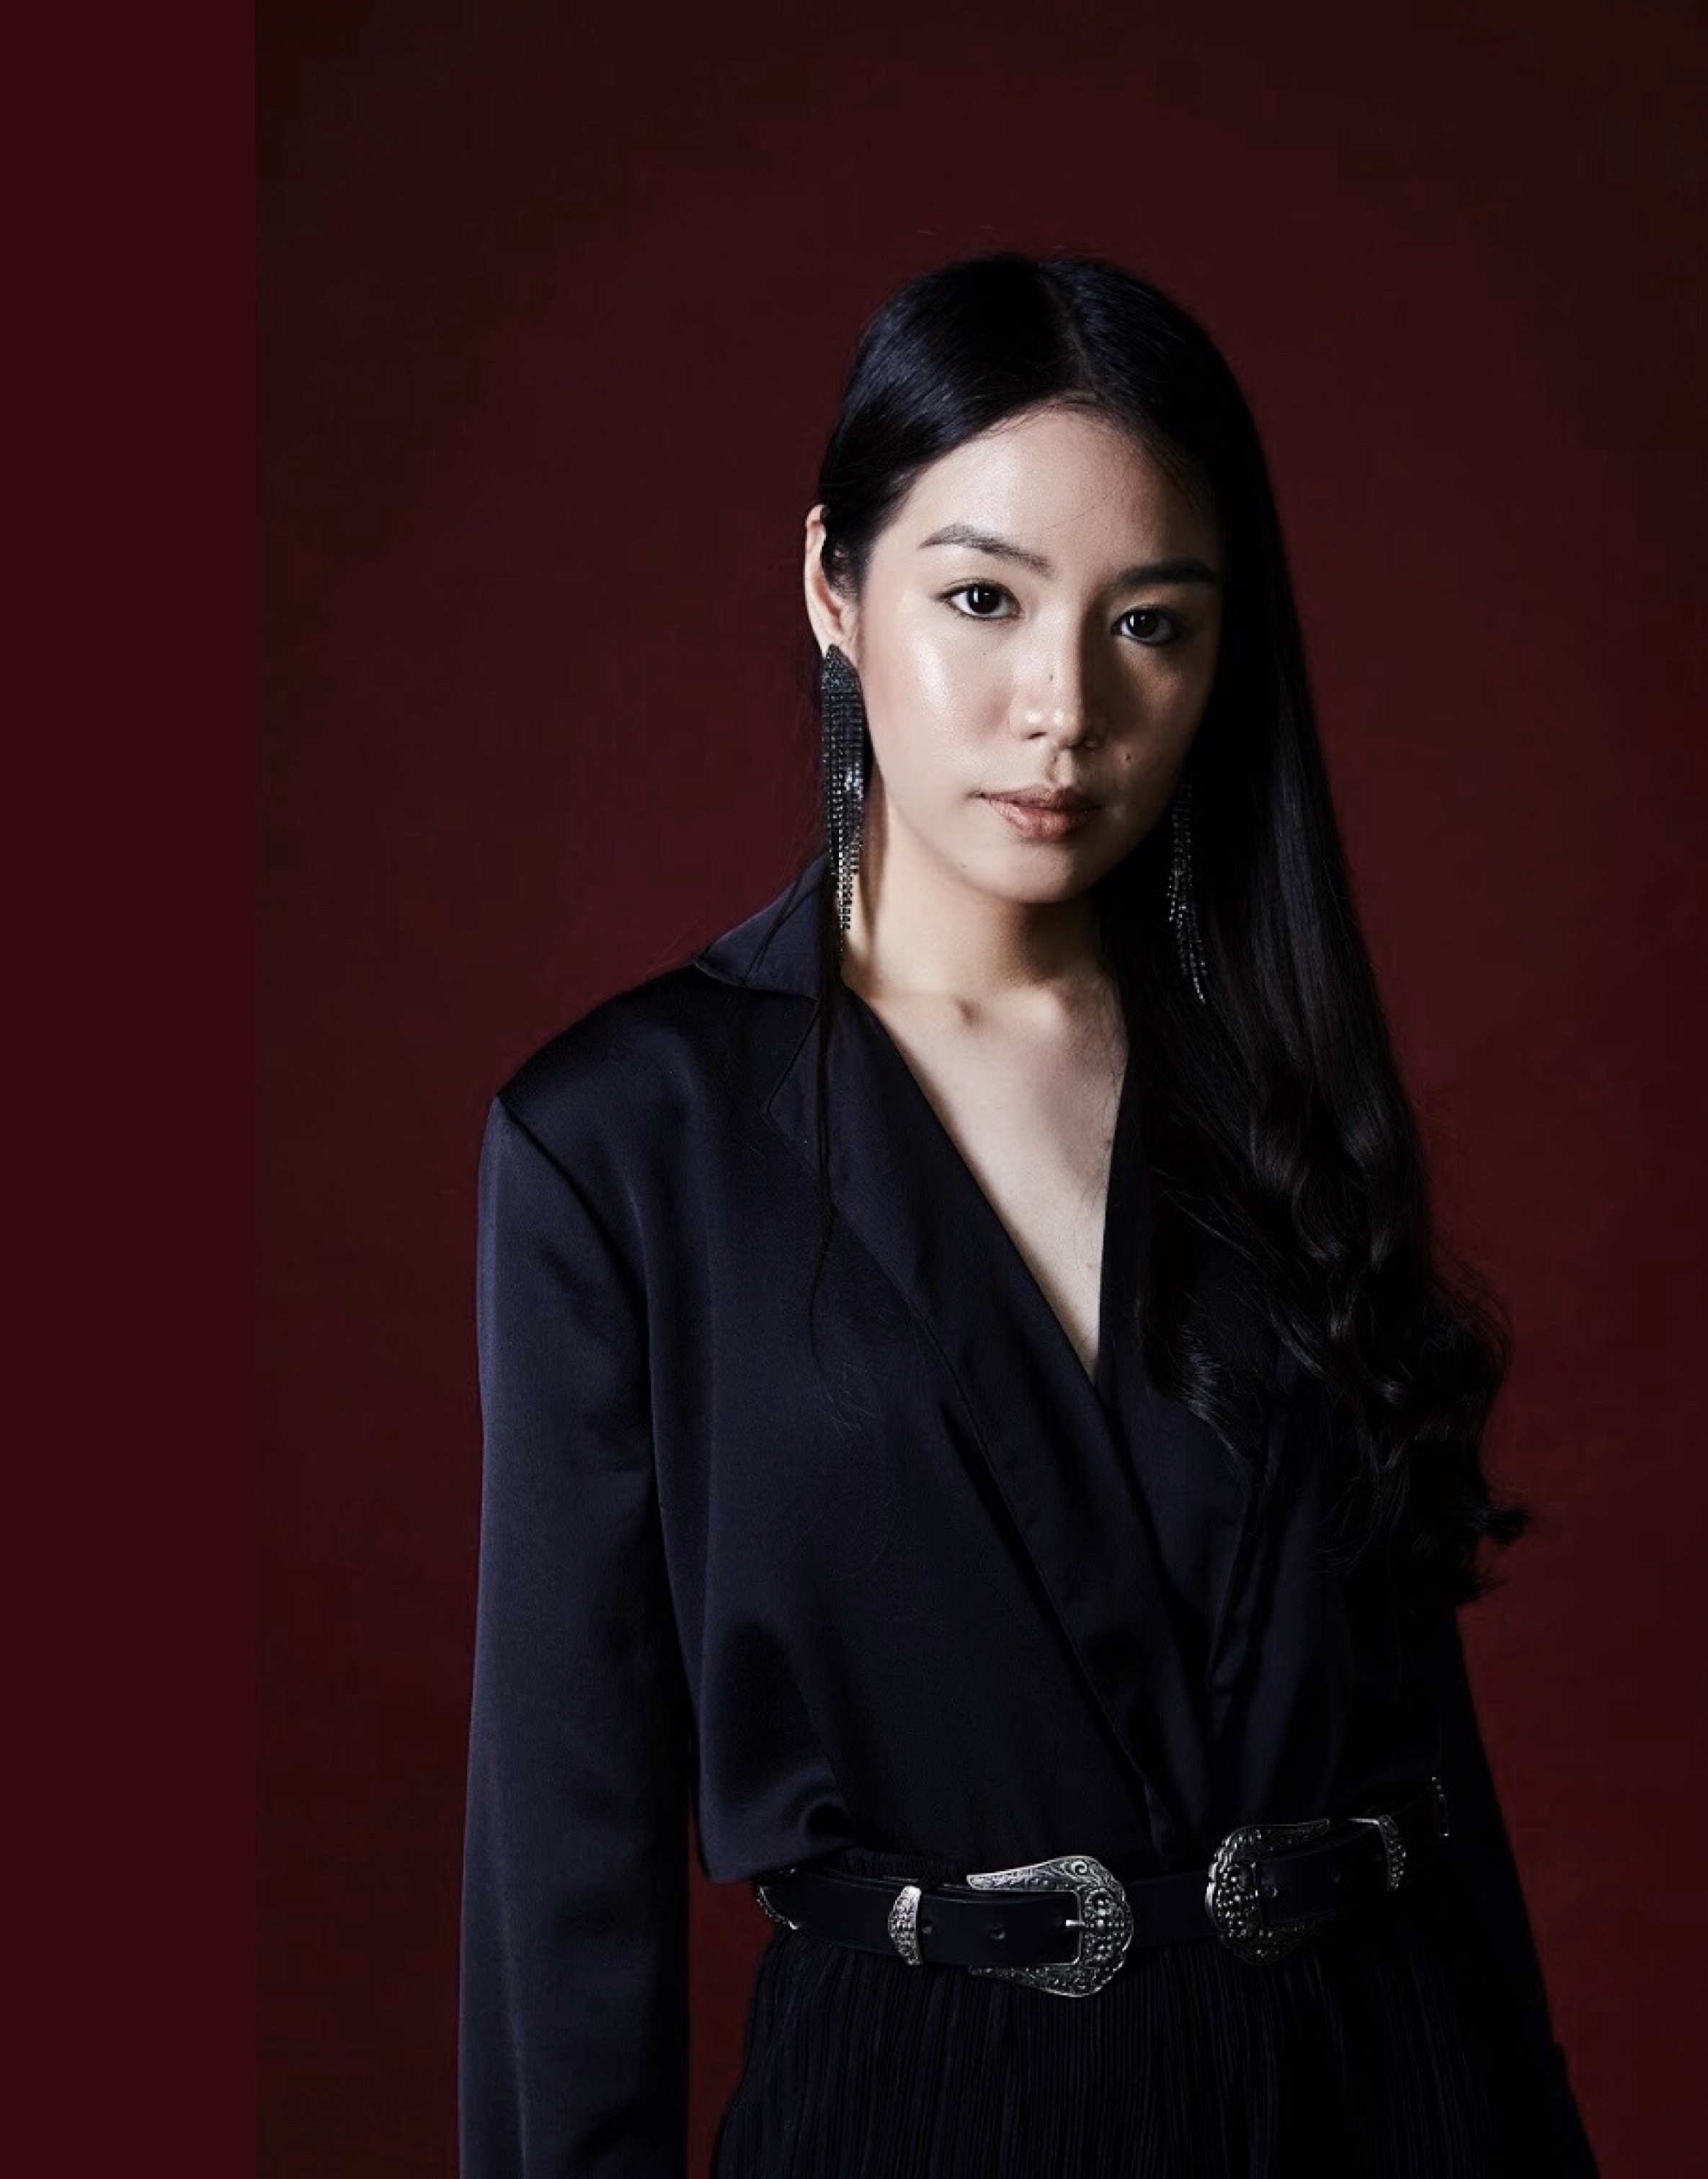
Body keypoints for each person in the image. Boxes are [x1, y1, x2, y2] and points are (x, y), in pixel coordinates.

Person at [459, 250, 1601, 2178]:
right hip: (919, 2113)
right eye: (982, 598)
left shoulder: (1280, 1089)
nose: (1063, 708)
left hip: (1380, 2097)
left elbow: (1432, 1766)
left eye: (1148, 624)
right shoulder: (621, 1142)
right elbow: (564, 1871)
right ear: (834, 588)